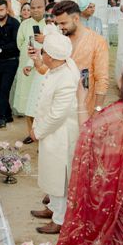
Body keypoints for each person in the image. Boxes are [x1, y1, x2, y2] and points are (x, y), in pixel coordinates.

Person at [53, 59, 123, 245]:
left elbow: (88, 133)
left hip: (121, 194)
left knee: (120, 235)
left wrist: (80, 98)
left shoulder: (117, 115)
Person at [29, 33, 80, 234]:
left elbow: (58, 115)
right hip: (51, 131)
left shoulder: (66, 77)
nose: (43, 56)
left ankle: (60, 220)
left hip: (61, 134)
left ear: (52, 56)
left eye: (45, 53)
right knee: (51, 172)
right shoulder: (58, 66)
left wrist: (38, 131)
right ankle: (52, 209)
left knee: (59, 177)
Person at [32, 0, 109, 116]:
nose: (60, 27)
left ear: (76, 19)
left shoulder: (97, 42)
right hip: (58, 109)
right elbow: (47, 70)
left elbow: (102, 79)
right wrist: (36, 60)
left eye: (63, 23)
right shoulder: (58, 40)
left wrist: (97, 110)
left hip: (84, 108)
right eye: (58, 24)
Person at [13, 0, 46, 142]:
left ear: (45, 8)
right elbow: (20, 43)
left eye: (39, 7)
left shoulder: (51, 25)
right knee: (27, 100)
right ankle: (31, 132)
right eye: (33, 7)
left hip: (44, 67)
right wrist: (28, 57)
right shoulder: (24, 24)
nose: (35, 10)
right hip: (26, 67)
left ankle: (43, 132)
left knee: (42, 100)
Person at [0, 0, 20, 128]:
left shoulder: (14, 23)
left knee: (4, 90)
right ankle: (8, 115)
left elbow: (16, 44)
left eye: (1, 10)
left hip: (11, 61)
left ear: (7, 10)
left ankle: (1, 117)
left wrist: (0, 49)